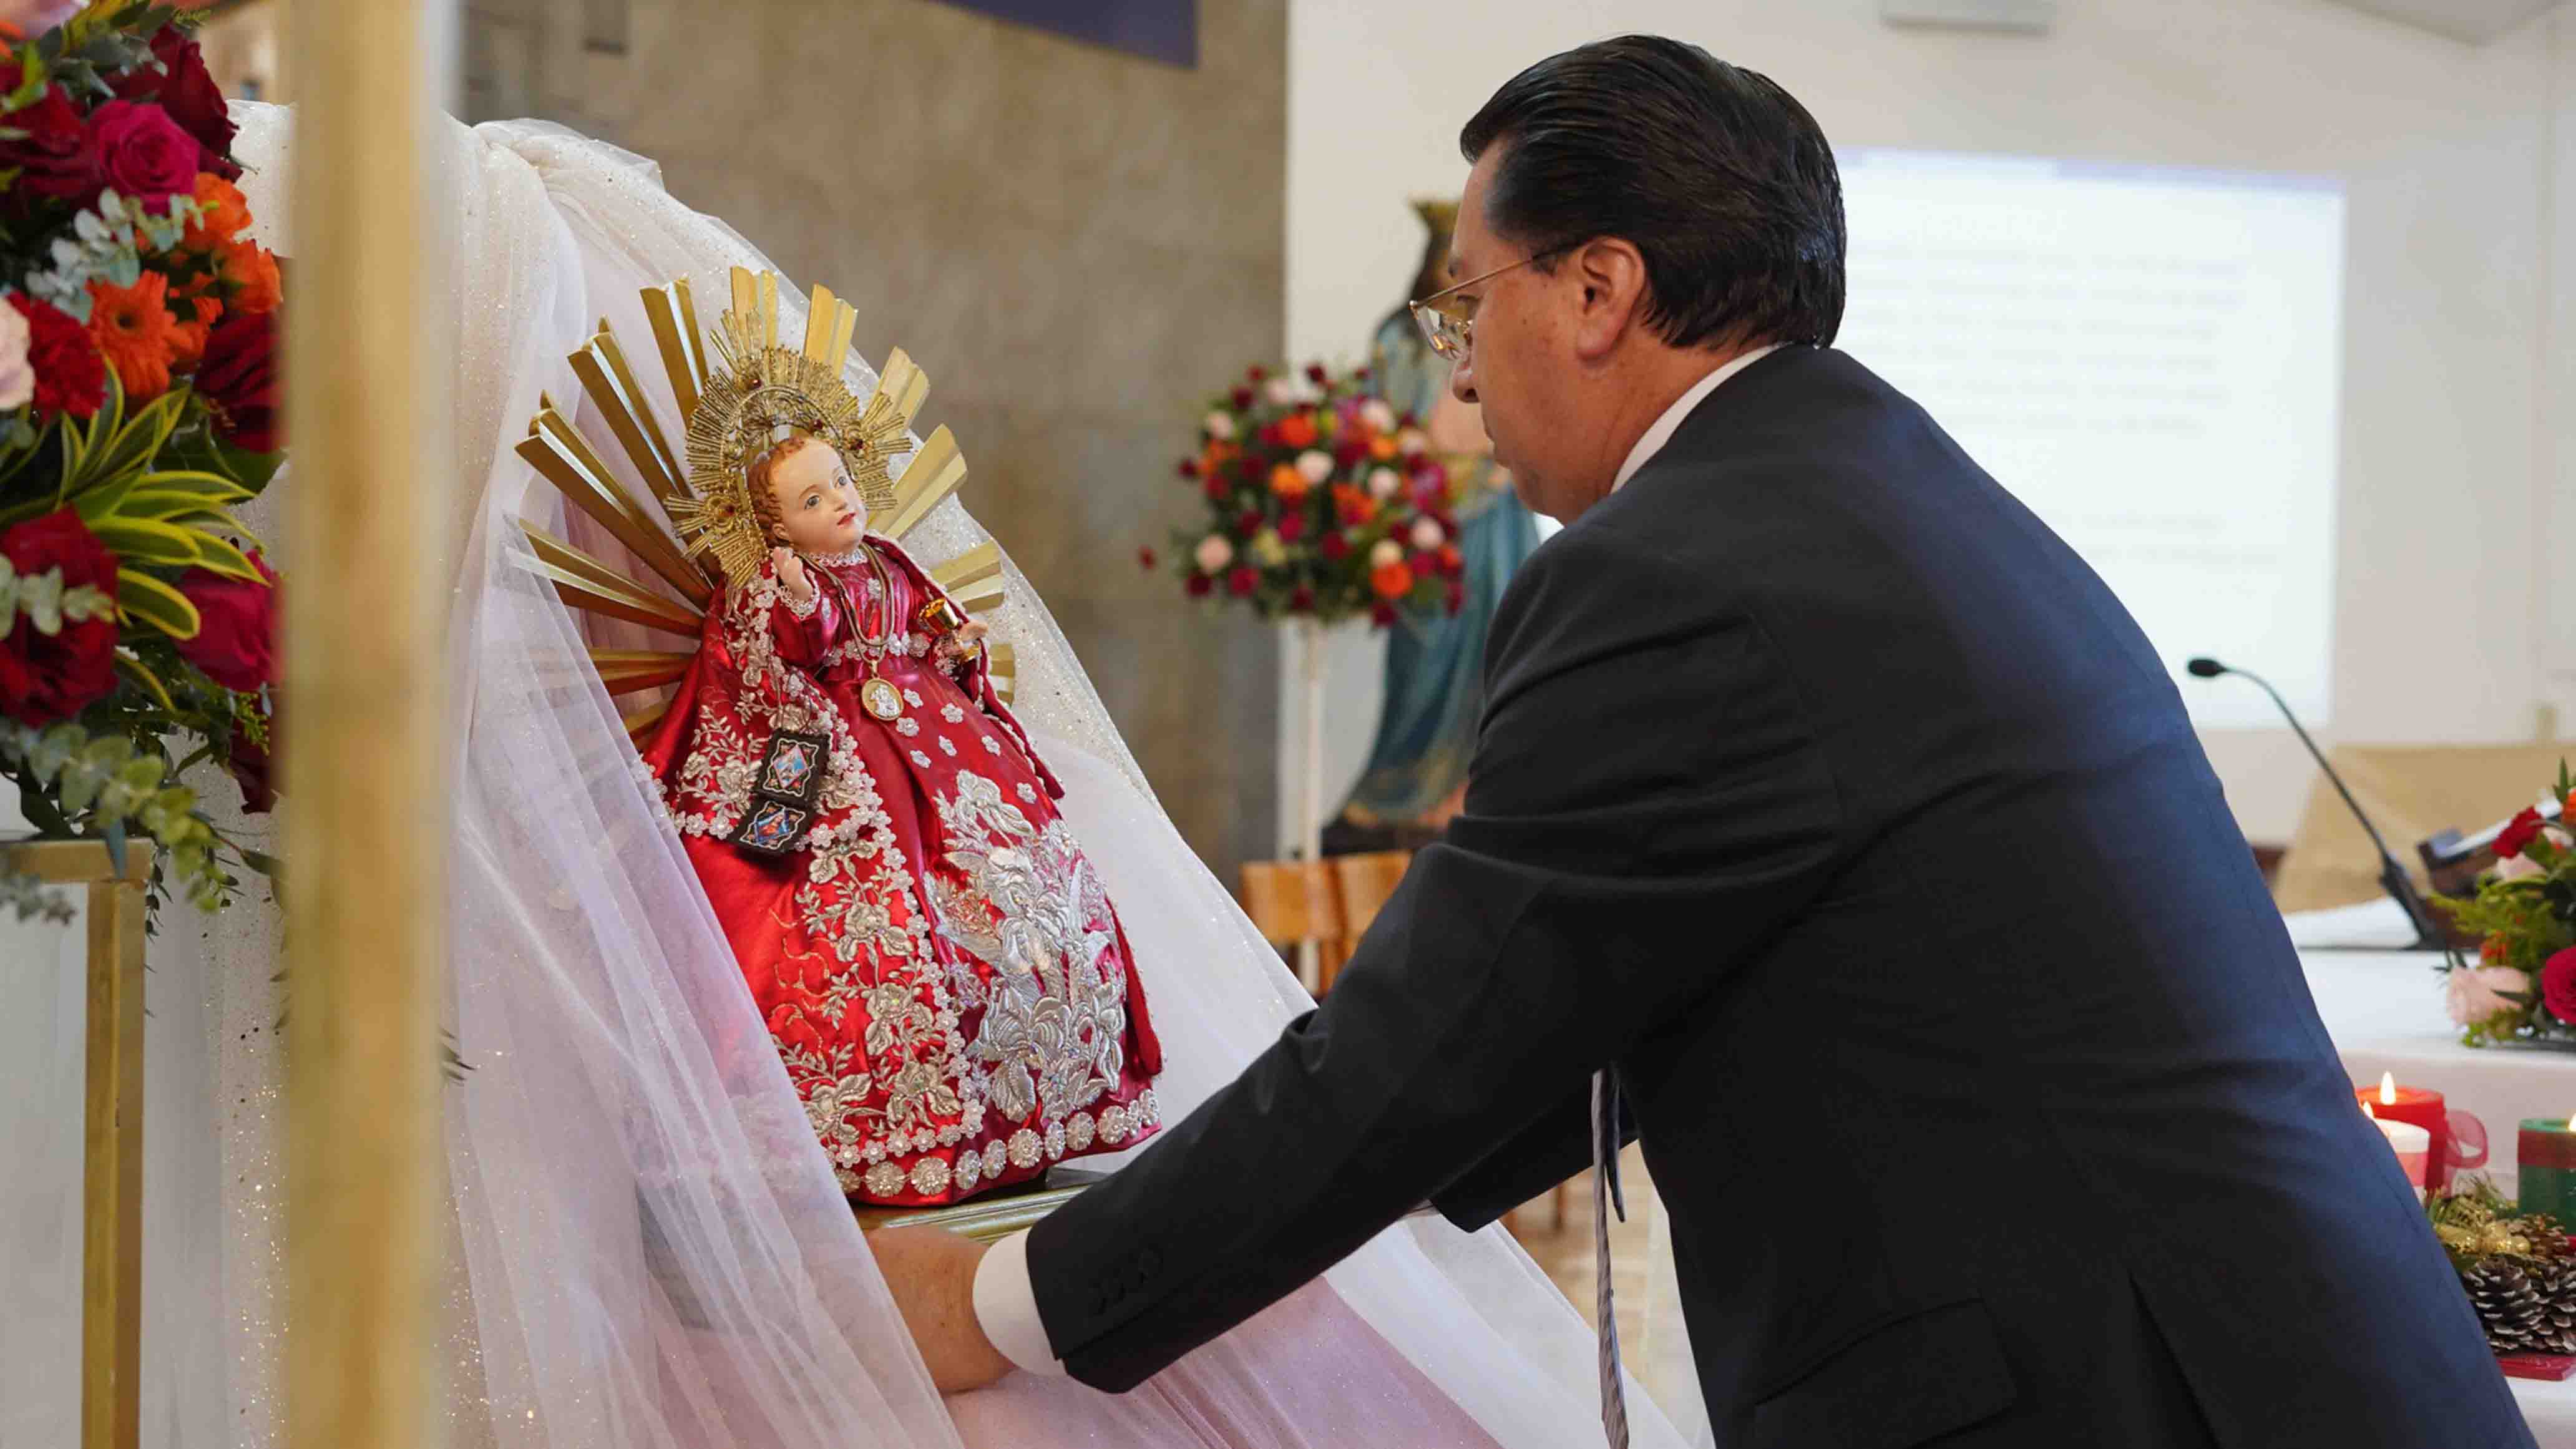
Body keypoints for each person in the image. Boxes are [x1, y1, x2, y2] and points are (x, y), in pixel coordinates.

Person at [877, 36, 2536, 1449]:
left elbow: (1416, 1067)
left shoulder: (1681, 571)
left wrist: (999, 1299)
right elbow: (1530, 1041)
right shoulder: (1872, 487)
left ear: (1598, 287)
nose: (1460, 370)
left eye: (1469, 306)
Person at [154, 102, 1685, 1449]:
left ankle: (990, 1121)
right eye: (805, 495)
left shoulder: (882, 577)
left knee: (981, 886)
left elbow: (943, 635)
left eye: (838, 486)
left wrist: (929, 672)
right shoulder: (770, 602)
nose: (834, 509)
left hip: (917, 766)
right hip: (807, 769)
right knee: (818, 923)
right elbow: (757, 675)